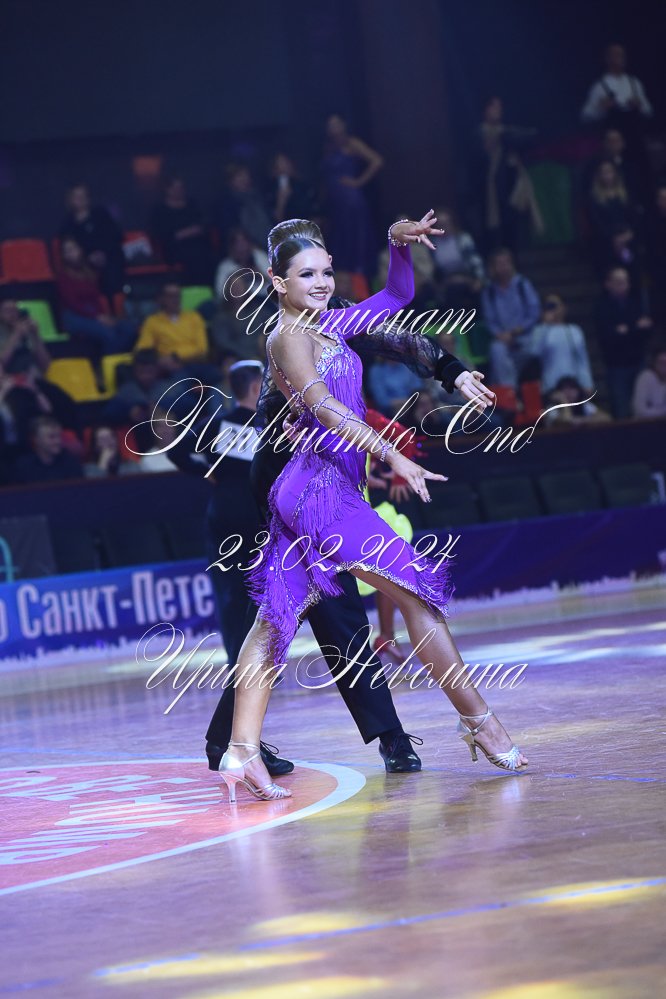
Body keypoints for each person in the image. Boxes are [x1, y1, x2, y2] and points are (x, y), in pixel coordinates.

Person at [217, 213, 527, 803]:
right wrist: (392, 454)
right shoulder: (287, 338)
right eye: (307, 274)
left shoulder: (330, 324)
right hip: (318, 491)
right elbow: (325, 408)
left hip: (317, 486)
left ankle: (241, 750)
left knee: (276, 618)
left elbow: (397, 298)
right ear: (278, 282)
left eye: (327, 272)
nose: (322, 282)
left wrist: (395, 245)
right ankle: (480, 721)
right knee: (415, 593)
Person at [581, 44, 653, 193]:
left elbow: (649, 111)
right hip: (613, 140)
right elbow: (585, 115)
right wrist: (601, 107)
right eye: (615, 55)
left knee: (640, 172)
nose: (620, 59)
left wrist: (639, 105)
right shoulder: (600, 86)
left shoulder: (634, 82)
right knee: (617, 172)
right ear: (607, 59)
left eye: (621, 55)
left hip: (634, 138)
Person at [320, 113, 383, 277]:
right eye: (330, 125)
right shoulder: (328, 147)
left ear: (343, 125)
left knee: (356, 240)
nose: (333, 128)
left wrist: (358, 182)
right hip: (335, 202)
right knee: (340, 241)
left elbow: (376, 160)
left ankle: (362, 279)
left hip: (350, 199)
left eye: (336, 124)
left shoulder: (352, 143)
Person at [56, 237, 136, 359]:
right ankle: (109, 366)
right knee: (108, 334)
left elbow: (95, 299)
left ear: (80, 250)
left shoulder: (90, 272)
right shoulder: (63, 276)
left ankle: (120, 362)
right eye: (66, 251)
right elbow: (73, 303)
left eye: (72, 249)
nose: (70, 253)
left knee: (127, 329)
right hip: (74, 316)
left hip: (95, 314)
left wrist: (103, 316)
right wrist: (97, 317)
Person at [595, 266, 653, 419]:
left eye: (626, 281)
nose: (624, 285)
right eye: (619, 282)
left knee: (643, 406)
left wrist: (627, 329)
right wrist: (634, 327)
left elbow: (645, 329)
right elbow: (609, 336)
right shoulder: (602, 308)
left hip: (638, 360)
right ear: (608, 284)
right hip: (617, 365)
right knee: (622, 409)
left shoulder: (635, 303)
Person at [133, 282, 218, 383]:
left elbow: (202, 350)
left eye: (177, 295)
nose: (175, 299)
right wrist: (159, 360)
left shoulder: (194, 317)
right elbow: (142, 349)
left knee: (219, 378)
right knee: (178, 384)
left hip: (198, 365)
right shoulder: (153, 322)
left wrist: (176, 356)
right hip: (171, 369)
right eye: (170, 296)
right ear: (162, 299)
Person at [481, 248, 541, 387]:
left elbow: (534, 312)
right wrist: (500, 335)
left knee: (541, 345)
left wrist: (518, 330)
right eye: (499, 264)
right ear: (493, 267)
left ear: (512, 264)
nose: (503, 267)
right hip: (504, 340)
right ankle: (509, 391)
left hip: (527, 336)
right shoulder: (489, 291)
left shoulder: (522, 284)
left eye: (506, 263)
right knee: (497, 350)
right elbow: (490, 320)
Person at [59, 184, 126, 298]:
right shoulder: (68, 225)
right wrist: (87, 256)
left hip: (108, 256)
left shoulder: (101, 214)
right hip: (83, 261)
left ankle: (118, 302)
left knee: (113, 267)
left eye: (83, 196)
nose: (80, 199)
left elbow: (115, 236)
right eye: (76, 196)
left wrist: (103, 253)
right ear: (70, 200)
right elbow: (69, 246)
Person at [151, 176, 212, 284]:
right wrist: (182, 234)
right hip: (174, 248)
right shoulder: (160, 210)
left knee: (207, 256)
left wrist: (195, 231)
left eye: (180, 188)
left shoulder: (192, 205)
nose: (178, 191)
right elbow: (161, 234)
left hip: (198, 245)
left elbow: (202, 225)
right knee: (192, 257)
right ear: (167, 189)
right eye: (175, 188)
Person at [530, 294, 595, 396]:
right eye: (549, 306)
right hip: (551, 385)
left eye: (555, 305)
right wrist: (545, 324)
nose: (553, 309)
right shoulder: (539, 330)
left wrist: (587, 383)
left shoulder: (574, 330)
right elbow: (534, 353)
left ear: (563, 307)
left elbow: (582, 359)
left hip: (573, 385)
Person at [13, 416, 83, 484]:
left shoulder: (70, 462)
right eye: (51, 437)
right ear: (36, 439)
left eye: (59, 436)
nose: (58, 441)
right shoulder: (23, 467)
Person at [265, 152, 319, 224]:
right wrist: (281, 201)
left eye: (286, 162)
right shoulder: (271, 190)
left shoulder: (302, 185)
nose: (285, 167)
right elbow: (275, 220)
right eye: (280, 164)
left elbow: (314, 210)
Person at [0, 300, 51, 374]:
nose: (12, 314)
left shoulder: (26, 331)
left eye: (15, 310)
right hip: (9, 377)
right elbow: (2, 363)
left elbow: (46, 365)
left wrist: (35, 335)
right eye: (8, 311)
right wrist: (16, 335)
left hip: (32, 375)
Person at [542, 376, 610, 428]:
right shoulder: (552, 408)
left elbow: (606, 418)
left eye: (572, 388)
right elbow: (566, 421)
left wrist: (582, 420)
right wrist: (564, 402)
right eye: (564, 389)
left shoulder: (584, 405)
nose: (569, 393)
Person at [632, 342, 666, 419]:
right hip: (644, 423)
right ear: (654, 362)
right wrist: (662, 412)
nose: (664, 366)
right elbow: (640, 410)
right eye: (661, 363)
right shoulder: (645, 378)